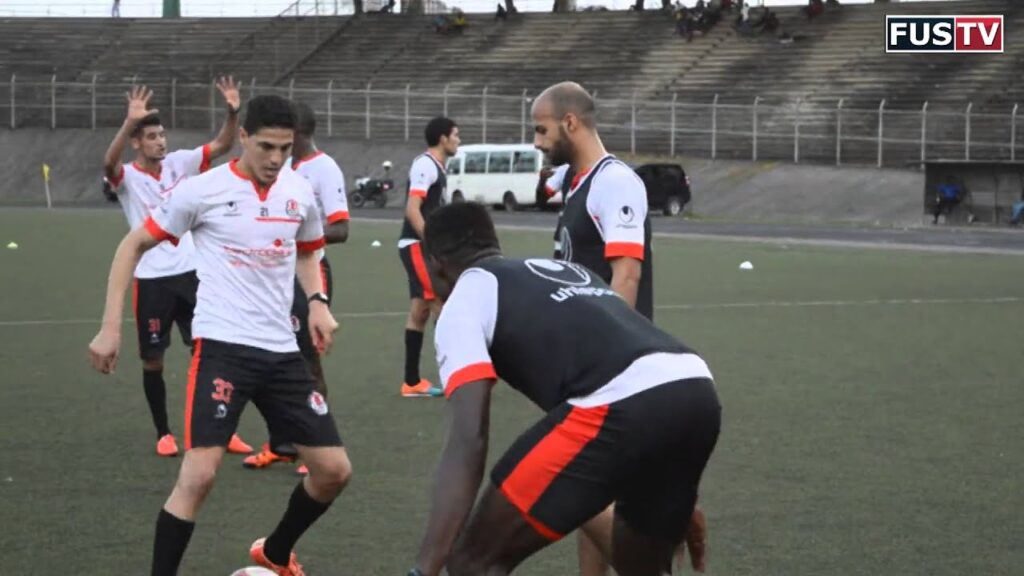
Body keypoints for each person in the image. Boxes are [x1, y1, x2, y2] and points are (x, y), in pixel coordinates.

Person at [88, 95, 352, 576]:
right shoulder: (202, 190)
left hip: (282, 351)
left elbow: (308, 251)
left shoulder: (298, 191)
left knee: (334, 472)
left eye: (285, 149)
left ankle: (274, 552)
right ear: (244, 138)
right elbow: (133, 245)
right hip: (223, 350)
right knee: (200, 475)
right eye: (266, 146)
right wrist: (109, 328)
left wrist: (317, 303)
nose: (275, 159)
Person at [407, 202, 720, 576]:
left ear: (436, 262)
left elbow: (468, 438)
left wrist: (424, 567)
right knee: (643, 568)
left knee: (473, 562)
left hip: (622, 402)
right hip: (695, 389)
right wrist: (676, 486)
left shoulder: (466, 298)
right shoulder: (566, 271)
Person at [533, 81, 657, 575]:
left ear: (570, 123)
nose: (536, 141)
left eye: (541, 130)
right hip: (581, 360)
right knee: (594, 489)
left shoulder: (616, 182)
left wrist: (608, 352)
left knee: (578, 485)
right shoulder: (574, 181)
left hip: (614, 364)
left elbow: (627, 272)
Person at [102, 81, 252, 458]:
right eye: (151, 136)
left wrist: (232, 113)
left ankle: (222, 429)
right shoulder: (128, 178)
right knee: (153, 359)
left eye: (162, 135)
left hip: (192, 273)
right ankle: (163, 433)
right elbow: (108, 164)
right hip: (152, 280)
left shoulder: (181, 163)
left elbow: (222, 146)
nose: (160, 142)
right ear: (137, 143)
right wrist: (128, 122)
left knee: (210, 350)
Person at [244, 101, 351, 475]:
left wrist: (294, 235)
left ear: (299, 133)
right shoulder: (283, 168)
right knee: (270, 359)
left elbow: (341, 227)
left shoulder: (323, 168)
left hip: (309, 272)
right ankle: (281, 443)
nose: (277, 151)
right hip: (273, 276)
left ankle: (318, 446)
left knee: (307, 362)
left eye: (286, 140)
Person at [397, 116, 461, 398]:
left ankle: (411, 382)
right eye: (455, 135)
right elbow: (413, 209)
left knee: (420, 312)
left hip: (420, 245)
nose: (458, 140)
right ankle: (457, 378)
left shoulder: (436, 167)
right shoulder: (425, 165)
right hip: (417, 245)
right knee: (441, 307)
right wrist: (433, 243)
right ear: (443, 138)